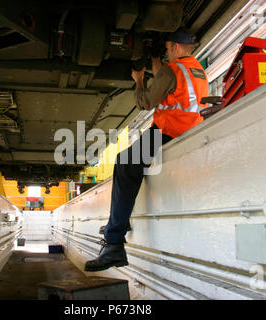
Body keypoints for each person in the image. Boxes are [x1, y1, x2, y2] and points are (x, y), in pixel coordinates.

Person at [84, 27, 209, 272]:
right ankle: (119, 224)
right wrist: (155, 64)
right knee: (128, 162)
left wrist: (139, 79)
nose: (166, 52)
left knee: (125, 164)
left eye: (166, 49)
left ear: (173, 46)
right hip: (187, 129)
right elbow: (171, 87)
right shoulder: (195, 69)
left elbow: (146, 102)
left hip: (167, 130)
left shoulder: (172, 69)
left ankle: (114, 245)